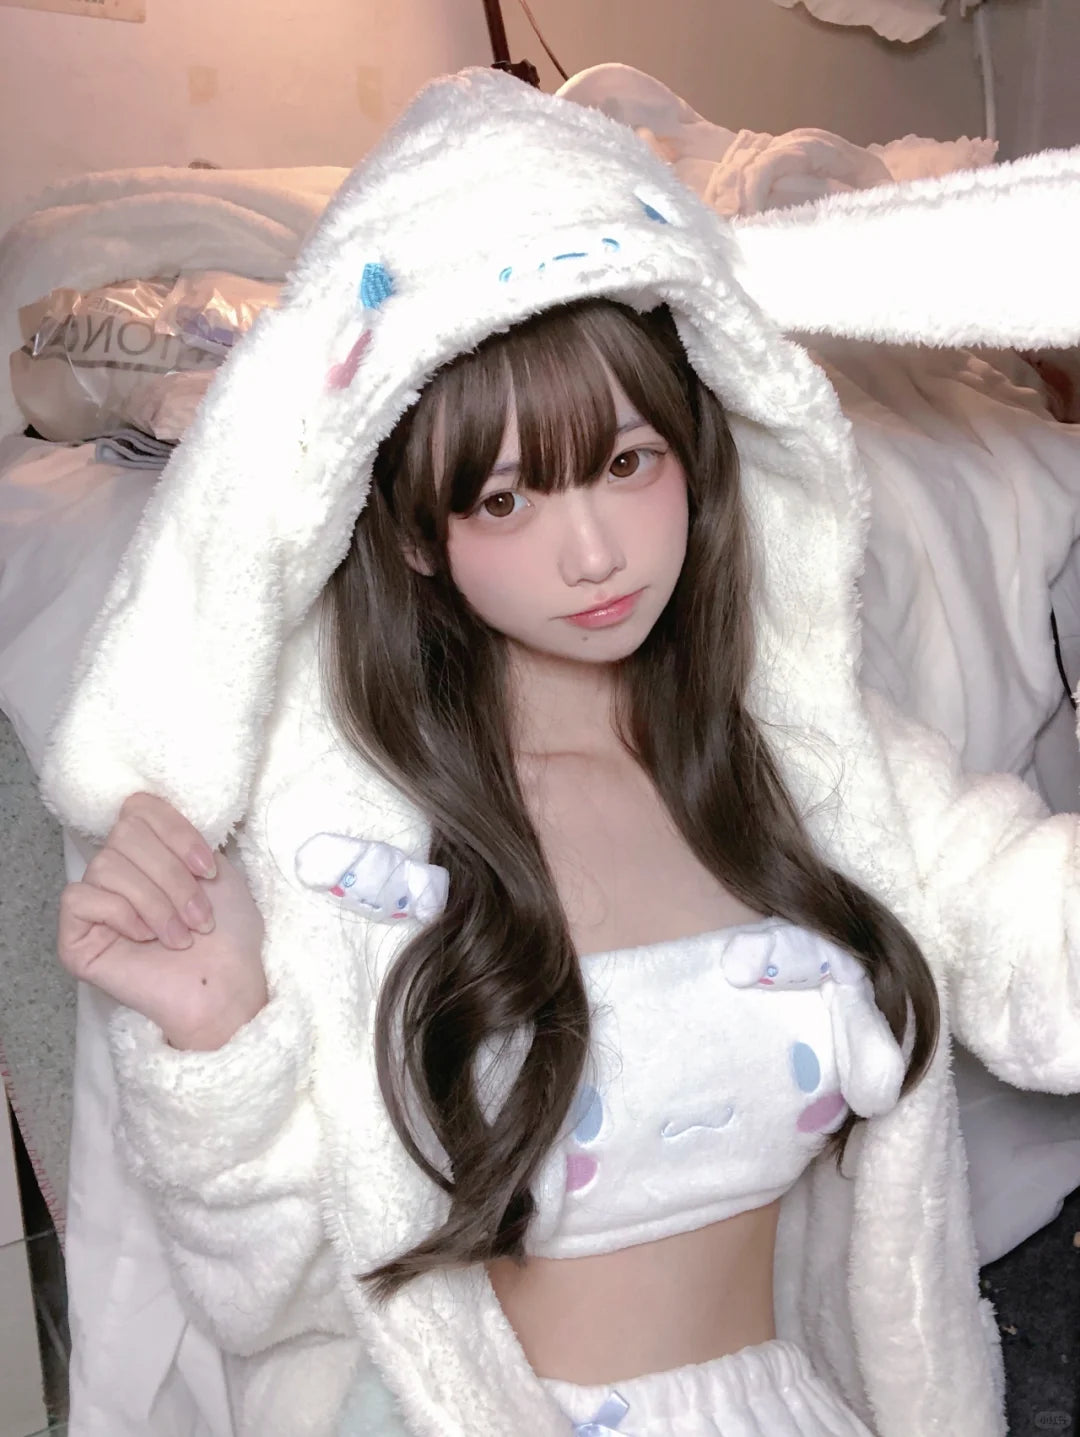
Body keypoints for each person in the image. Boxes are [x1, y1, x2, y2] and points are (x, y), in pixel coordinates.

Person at [44, 69, 1080, 1437]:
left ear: (699, 449)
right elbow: (268, 1300)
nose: (591, 553)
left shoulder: (813, 767)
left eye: (627, 463)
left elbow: (1045, 945)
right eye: (505, 496)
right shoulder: (350, 849)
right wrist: (217, 1032)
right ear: (418, 535)